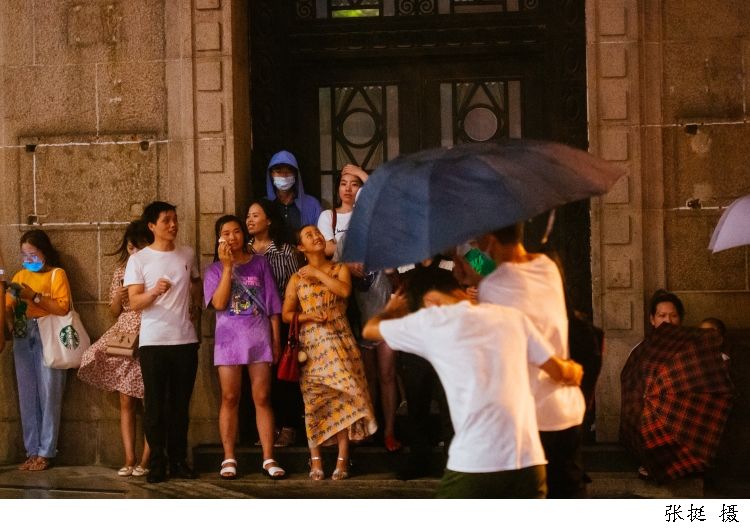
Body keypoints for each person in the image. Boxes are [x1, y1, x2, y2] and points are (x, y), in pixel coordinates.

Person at [362, 267, 583, 498]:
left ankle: (434, 456)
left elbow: (370, 330)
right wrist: (574, 370)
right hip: (529, 462)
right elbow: (562, 371)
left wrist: (391, 310)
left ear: (430, 302)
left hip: (475, 464)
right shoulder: (512, 317)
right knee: (419, 401)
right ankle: (420, 457)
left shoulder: (435, 318)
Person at [469, 222, 587, 498]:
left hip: (529, 418)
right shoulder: (547, 267)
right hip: (565, 409)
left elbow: (491, 280)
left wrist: (464, 252)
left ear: (490, 241)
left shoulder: (493, 287)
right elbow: (507, 276)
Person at [282, 225, 377, 480]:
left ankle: (342, 460)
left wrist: (316, 271)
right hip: (311, 347)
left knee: (343, 398)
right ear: (300, 247)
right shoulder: (296, 278)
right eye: (309, 235)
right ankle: (315, 461)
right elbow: (286, 314)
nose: (317, 237)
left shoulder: (339, 268)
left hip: (340, 342)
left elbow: (344, 291)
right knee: (314, 402)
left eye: (318, 233)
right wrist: (308, 316)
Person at [320, 163, 402, 452]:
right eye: (344, 184)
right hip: (358, 318)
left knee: (388, 374)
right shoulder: (342, 240)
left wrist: (388, 268)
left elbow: (397, 273)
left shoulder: (385, 237)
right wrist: (345, 270)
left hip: (386, 316)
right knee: (365, 378)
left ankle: (390, 430)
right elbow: (333, 275)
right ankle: (371, 428)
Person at [124, 201, 202, 484]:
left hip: (185, 339)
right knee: (155, 405)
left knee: (181, 405)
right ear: (152, 226)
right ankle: (156, 462)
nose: (173, 225)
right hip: (154, 341)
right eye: (166, 220)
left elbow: (195, 284)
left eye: (175, 219)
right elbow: (134, 302)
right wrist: (155, 291)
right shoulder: (140, 260)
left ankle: (179, 460)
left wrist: (196, 309)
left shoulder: (187, 254)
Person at [204, 214, 285, 480]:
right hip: (228, 342)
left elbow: (274, 307)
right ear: (219, 238)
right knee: (230, 398)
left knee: (262, 397)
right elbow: (218, 303)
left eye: (237, 231)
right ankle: (229, 457)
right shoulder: (214, 270)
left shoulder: (260, 264)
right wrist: (227, 267)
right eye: (226, 233)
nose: (232, 237)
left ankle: (268, 457)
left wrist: (275, 341)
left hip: (259, 339)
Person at [77, 220, 152, 477]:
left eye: (138, 245)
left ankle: (146, 458)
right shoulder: (120, 270)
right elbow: (113, 310)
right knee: (125, 400)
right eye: (131, 245)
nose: (133, 250)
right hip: (123, 336)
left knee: (150, 400)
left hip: (150, 333)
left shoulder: (155, 268)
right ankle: (129, 457)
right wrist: (119, 298)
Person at [4, 229, 72, 471]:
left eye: (32, 254)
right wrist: (11, 319)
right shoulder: (19, 275)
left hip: (47, 330)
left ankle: (46, 451)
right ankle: (31, 450)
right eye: (24, 255)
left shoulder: (56, 274)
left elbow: (62, 308)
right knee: (27, 393)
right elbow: (9, 306)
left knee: (49, 391)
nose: (28, 260)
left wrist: (33, 297)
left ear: (44, 252)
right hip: (24, 331)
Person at [247, 198, 304, 447]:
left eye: (255, 215)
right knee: (260, 379)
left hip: (280, 319)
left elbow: (296, 284)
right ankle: (268, 428)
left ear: (269, 220)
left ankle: (289, 427)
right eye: (248, 216)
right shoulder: (244, 250)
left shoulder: (284, 250)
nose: (250, 220)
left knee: (284, 375)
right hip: (250, 323)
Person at [265, 150, 322, 245]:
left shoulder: (312, 204)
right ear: (271, 175)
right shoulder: (264, 205)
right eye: (278, 172)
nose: (283, 176)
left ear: (295, 175)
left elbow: (319, 237)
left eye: (288, 172)